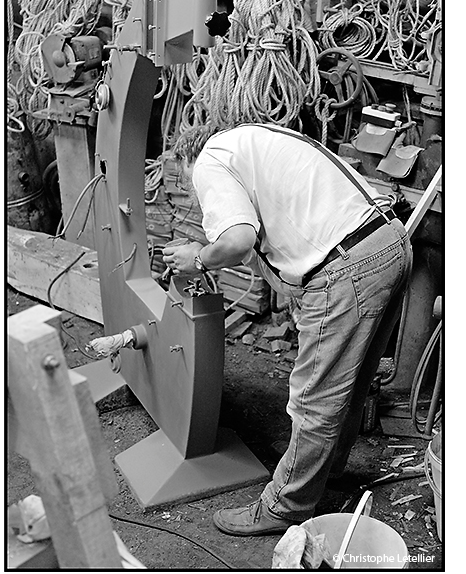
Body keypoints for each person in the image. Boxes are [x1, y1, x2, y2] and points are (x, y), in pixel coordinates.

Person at [162, 122, 413, 536]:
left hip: (347, 265)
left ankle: (284, 506)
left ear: (186, 160)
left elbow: (238, 238)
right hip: (388, 243)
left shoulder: (209, 160)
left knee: (314, 398)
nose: (198, 198)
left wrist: (200, 258)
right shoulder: (255, 142)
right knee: (348, 383)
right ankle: (323, 470)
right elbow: (268, 242)